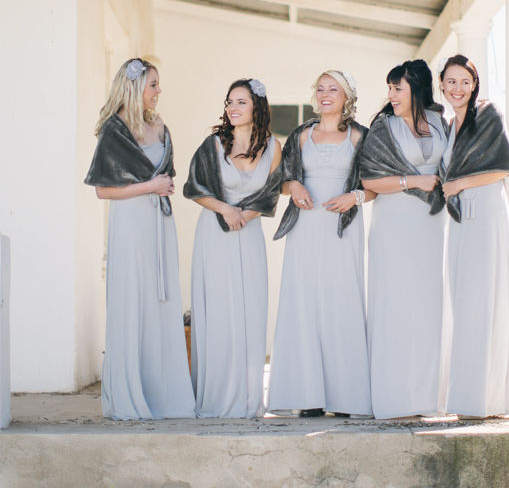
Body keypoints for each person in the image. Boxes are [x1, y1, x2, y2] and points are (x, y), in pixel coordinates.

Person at [84, 58, 194, 420]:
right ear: (134, 88)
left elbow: (167, 173)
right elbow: (103, 190)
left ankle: (164, 393)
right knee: (134, 300)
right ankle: (132, 394)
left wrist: (161, 187)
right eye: (154, 85)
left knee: (159, 301)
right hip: (131, 223)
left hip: (159, 222)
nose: (159, 91)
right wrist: (151, 186)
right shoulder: (114, 130)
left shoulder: (159, 125)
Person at [268, 70, 373, 418]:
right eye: (321, 89)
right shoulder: (300, 135)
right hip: (306, 227)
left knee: (341, 301)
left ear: (347, 97)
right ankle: (308, 395)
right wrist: (294, 187)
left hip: (342, 229)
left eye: (334, 89)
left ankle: (344, 396)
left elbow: (375, 184)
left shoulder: (360, 136)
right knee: (305, 303)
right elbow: (281, 181)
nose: (326, 95)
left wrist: (354, 197)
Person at [183, 78, 282, 418]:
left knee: (248, 312)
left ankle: (246, 398)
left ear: (256, 106)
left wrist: (245, 215)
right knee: (219, 315)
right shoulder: (213, 145)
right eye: (229, 102)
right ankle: (214, 398)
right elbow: (194, 187)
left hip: (249, 234)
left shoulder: (272, 146)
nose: (233, 108)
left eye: (240, 101)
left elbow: (271, 194)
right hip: (215, 235)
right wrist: (226, 209)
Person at [439, 54, 509, 418]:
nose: (458, 88)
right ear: (442, 85)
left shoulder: (488, 114)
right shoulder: (448, 126)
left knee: (485, 300)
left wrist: (459, 183)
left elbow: (502, 169)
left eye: (465, 81)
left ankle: (487, 397)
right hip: (459, 219)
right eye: (451, 81)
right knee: (463, 302)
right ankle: (465, 394)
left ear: (474, 84)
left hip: (486, 212)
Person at [359, 59, 448, 419]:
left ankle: (428, 398)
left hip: (432, 224)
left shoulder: (441, 122)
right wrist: (414, 181)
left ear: (417, 88)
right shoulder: (384, 127)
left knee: (429, 307)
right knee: (395, 305)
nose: (392, 95)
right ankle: (394, 397)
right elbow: (368, 181)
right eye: (390, 88)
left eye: (399, 88)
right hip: (394, 223)